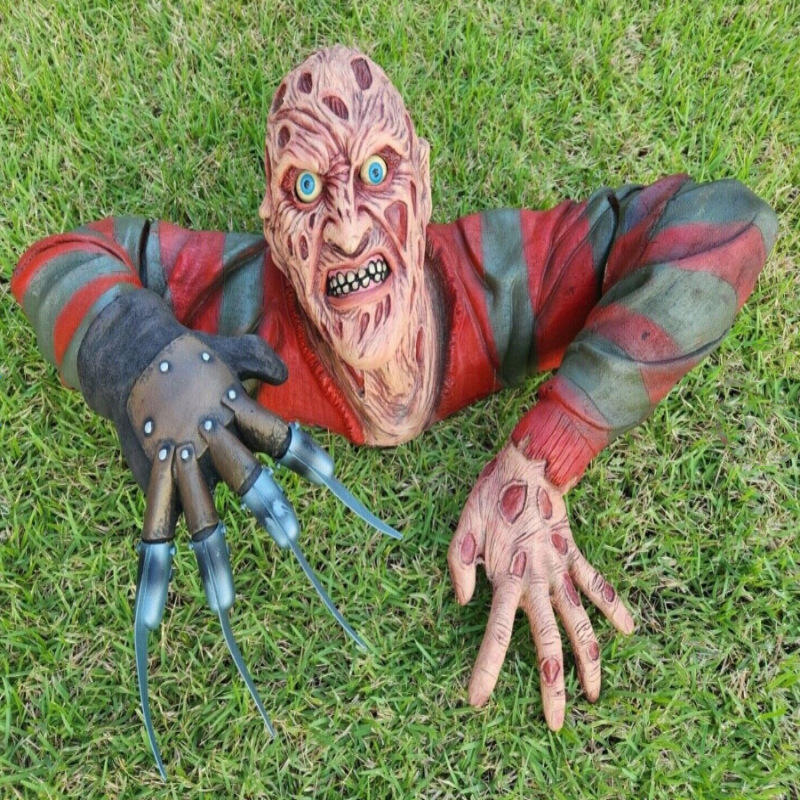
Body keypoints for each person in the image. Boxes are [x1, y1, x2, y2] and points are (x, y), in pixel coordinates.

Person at [12, 44, 777, 747]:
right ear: (273, 226)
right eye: (306, 188)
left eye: (377, 173)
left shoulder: (504, 280)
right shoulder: (247, 304)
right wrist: (142, 353)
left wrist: (547, 453)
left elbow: (726, 226)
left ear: (424, 180)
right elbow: (57, 259)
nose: (347, 229)